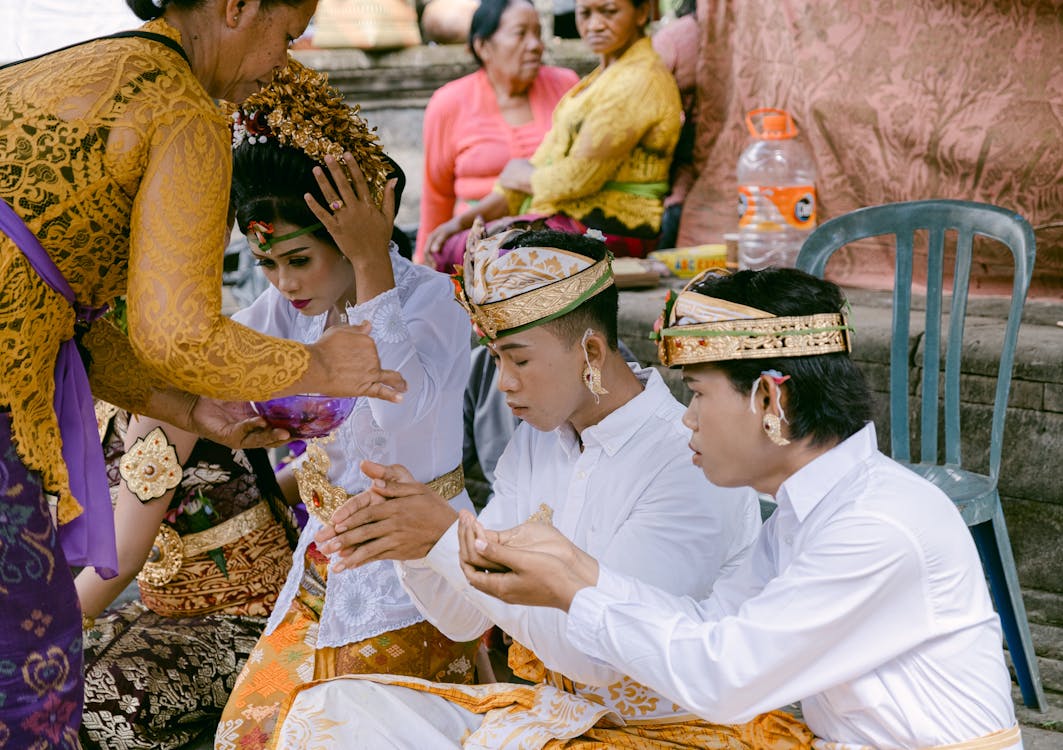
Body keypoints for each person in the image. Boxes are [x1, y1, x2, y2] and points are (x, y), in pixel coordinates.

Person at [0, 0, 405, 745]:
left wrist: (191, 409)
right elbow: (177, 331)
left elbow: (77, 328)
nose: (282, 63)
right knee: (27, 681)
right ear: (237, 6)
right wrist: (318, 363)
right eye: (286, 35)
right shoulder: (181, 105)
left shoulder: (71, 74)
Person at [265, 227, 807, 749]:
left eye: (519, 359)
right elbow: (464, 619)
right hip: (554, 720)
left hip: (665, 733)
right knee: (333, 708)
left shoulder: (688, 460)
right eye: (496, 358)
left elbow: (595, 657)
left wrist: (441, 538)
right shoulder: (537, 442)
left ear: (591, 354)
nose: (504, 383)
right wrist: (410, 543)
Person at [458, 267, 1023, 749]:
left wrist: (574, 589)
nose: (688, 418)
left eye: (699, 393)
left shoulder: (874, 525)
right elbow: (711, 626)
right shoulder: (812, 510)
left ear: (771, 398)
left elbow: (724, 677)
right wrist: (583, 576)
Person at [214, 59, 477, 749]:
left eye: (298, 259)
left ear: (350, 236)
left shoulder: (433, 301)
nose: (283, 282)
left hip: (412, 571)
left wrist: (370, 266)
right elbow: (214, 356)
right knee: (248, 734)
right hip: (323, 561)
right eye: (268, 264)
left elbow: (395, 408)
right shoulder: (292, 307)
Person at [77, 403, 298, 750]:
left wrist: (41, 634)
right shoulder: (98, 393)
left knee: (76, 699)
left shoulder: (163, 397)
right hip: (161, 610)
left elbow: (124, 554)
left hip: (249, 617)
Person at [424, 0, 682, 270]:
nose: (594, 25)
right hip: (573, 219)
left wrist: (522, 176)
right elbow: (541, 163)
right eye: (585, 13)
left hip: (614, 230)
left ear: (641, 13)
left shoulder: (636, 80)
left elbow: (575, 179)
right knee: (453, 246)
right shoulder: (595, 82)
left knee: (482, 256)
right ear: (482, 46)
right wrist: (459, 223)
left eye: (609, 12)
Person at [415, 0, 579, 263]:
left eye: (538, 33)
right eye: (520, 33)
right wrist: (424, 262)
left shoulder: (566, 85)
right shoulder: (448, 103)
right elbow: (437, 196)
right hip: (476, 243)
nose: (536, 45)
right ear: (483, 46)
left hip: (557, 237)